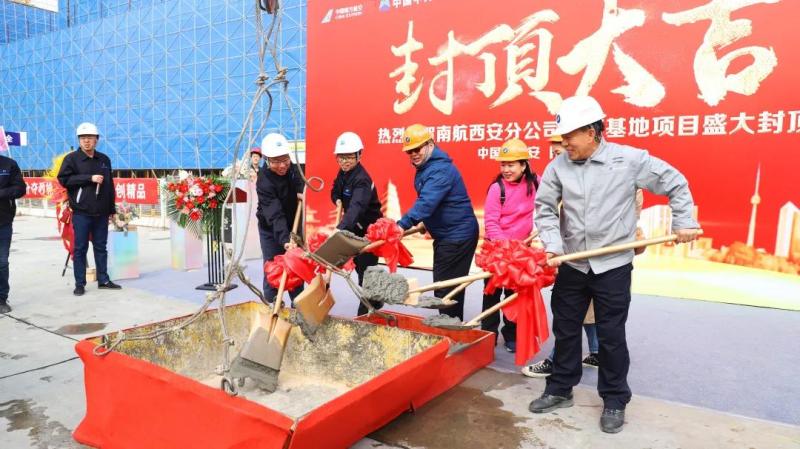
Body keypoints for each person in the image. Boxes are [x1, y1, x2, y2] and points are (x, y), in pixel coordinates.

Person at [528, 96, 699, 434]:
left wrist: (684, 221)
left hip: (612, 264)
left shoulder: (629, 160)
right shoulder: (558, 167)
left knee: (611, 335)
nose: (564, 143)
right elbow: (544, 208)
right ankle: (560, 389)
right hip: (573, 263)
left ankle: (615, 399)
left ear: (591, 132)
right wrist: (553, 245)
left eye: (570, 136)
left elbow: (675, 182)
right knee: (565, 328)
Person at [523, 134, 599, 374]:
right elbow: (548, 208)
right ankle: (597, 351)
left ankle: (557, 361)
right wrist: (552, 242)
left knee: (573, 312)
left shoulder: (605, 171)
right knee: (582, 309)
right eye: (555, 152)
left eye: (560, 152)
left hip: (598, 255)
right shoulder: (560, 172)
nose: (557, 158)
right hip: (572, 252)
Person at [397, 124, 479, 321]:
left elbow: (427, 202)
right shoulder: (427, 166)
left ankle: (451, 329)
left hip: (457, 236)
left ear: (430, 144)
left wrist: (402, 225)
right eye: (409, 151)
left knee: (446, 291)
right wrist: (427, 222)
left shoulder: (440, 170)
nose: (413, 154)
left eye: (417, 149)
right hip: (448, 234)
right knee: (447, 289)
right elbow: (437, 202)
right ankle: (451, 326)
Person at [482, 138, 539, 353]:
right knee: (491, 294)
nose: (506, 170)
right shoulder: (496, 188)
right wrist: (505, 248)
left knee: (514, 295)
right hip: (497, 251)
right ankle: (488, 334)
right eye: (503, 165)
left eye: (511, 165)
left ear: (524, 165)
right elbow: (491, 223)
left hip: (521, 252)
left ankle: (511, 334)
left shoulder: (536, 183)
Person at [57, 122, 122, 296]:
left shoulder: (104, 159)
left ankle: (104, 280)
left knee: (101, 247)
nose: (86, 141)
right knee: (80, 248)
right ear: (79, 140)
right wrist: (89, 178)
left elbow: (109, 185)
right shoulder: (71, 159)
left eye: (90, 138)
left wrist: (111, 209)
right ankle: (80, 283)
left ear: (96, 140)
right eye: (83, 138)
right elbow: (64, 180)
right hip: (81, 212)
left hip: (101, 212)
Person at [330, 132, 384, 315]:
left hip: (369, 231)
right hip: (355, 228)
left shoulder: (362, 179)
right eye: (341, 157)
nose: (344, 162)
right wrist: (337, 199)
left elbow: (356, 208)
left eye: (349, 157)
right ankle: (374, 300)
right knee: (361, 267)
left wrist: (340, 229)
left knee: (367, 270)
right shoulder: (343, 173)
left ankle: (369, 308)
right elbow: (335, 189)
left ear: (359, 155)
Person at [256, 132, 305, 303]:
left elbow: (300, 179)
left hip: (293, 223)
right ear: (266, 160)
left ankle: (298, 305)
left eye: (285, 160)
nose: (282, 165)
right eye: (276, 162)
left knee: (296, 265)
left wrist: (300, 190)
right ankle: (272, 302)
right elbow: (275, 214)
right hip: (270, 227)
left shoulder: (292, 167)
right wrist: (285, 240)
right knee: (273, 266)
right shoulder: (264, 181)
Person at [0, 153, 26, 313]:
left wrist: (1, 193)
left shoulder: (8, 164)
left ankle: (1, 299)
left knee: (2, 262)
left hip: (3, 221)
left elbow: (20, 189)